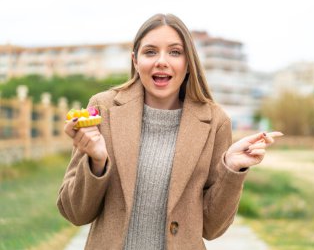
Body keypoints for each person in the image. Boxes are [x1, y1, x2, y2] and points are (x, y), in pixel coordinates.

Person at [57, 13, 283, 250]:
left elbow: (213, 228)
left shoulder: (215, 122)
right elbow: (74, 213)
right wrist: (97, 162)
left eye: (175, 52)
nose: (161, 61)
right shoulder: (103, 109)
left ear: (188, 63)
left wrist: (232, 169)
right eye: (150, 52)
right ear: (135, 61)